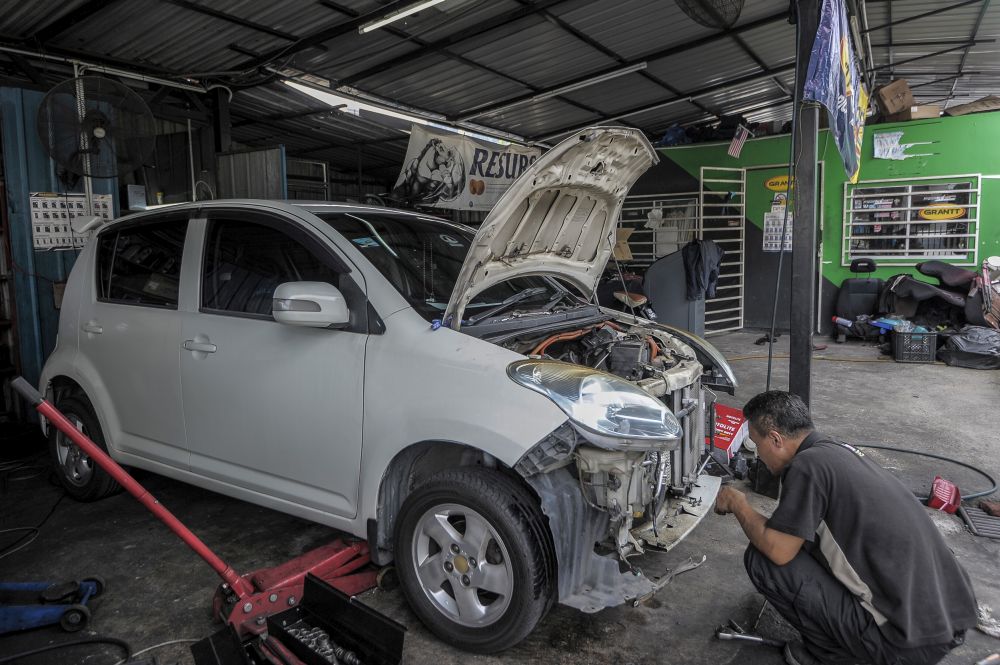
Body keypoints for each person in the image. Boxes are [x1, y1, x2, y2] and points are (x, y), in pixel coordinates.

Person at [714, 391, 977, 665]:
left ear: (776, 439)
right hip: (951, 618)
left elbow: (778, 551)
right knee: (805, 542)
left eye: (757, 445)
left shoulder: (807, 467)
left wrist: (738, 504)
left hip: (906, 644)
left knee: (764, 559)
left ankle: (831, 656)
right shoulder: (836, 451)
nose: (759, 457)